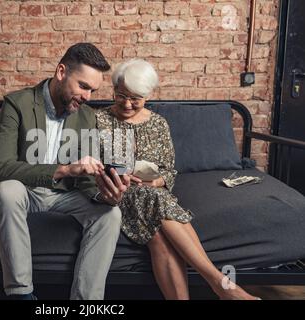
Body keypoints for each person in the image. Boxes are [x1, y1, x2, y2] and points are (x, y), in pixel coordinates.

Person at [0, 43, 129, 300]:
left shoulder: (87, 116)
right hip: (24, 190)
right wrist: (65, 169)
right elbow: (2, 168)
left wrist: (105, 194)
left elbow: (87, 181)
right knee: (6, 190)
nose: (88, 96)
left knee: (110, 214)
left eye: (93, 90)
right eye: (83, 86)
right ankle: (21, 294)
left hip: (64, 195)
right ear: (61, 72)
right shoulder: (17, 103)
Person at [95, 58, 260, 300]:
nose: (127, 104)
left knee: (159, 236)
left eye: (136, 99)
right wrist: (116, 174)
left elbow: (169, 170)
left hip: (152, 193)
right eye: (121, 96)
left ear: (148, 96)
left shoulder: (159, 124)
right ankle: (221, 284)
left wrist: (156, 181)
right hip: (118, 193)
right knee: (154, 199)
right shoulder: (98, 121)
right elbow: (92, 165)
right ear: (114, 90)